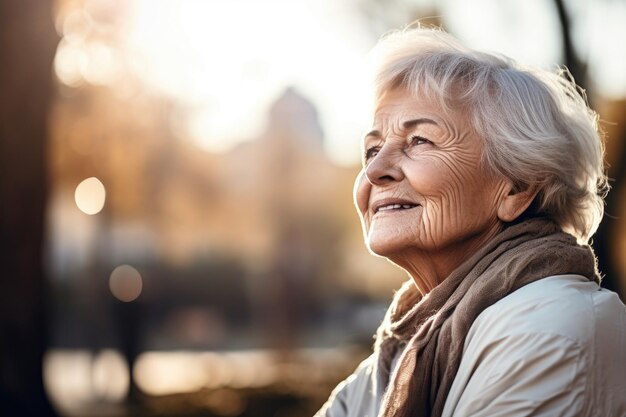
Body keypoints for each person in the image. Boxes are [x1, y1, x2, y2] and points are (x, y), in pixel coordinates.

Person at [315, 26, 626, 417]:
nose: (376, 169)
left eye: (419, 141)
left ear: (517, 187)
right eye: (372, 149)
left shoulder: (552, 331)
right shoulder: (406, 348)